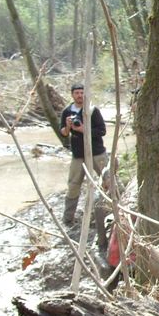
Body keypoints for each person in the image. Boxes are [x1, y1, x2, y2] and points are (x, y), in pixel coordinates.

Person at [60, 83, 108, 225]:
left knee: (109, 180)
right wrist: (68, 126)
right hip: (78, 154)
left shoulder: (92, 111)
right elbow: (63, 133)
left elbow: (102, 131)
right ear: (72, 95)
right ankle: (68, 218)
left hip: (97, 152)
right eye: (77, 93)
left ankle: (119, 210)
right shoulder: (67, 112)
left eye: (82, 93)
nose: (79, 95)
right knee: (73, 185)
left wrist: (83, 129)